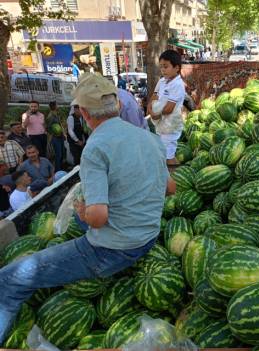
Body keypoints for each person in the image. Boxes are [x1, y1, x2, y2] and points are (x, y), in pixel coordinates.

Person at [0, 72, 175, 344]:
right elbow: (170, 188)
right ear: (117, 105)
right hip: (147, 237)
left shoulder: (96, 146)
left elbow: (98, 218)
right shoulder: (149, 139)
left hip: (112, 251)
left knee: (9, 279)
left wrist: (83, 212)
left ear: (83, 112)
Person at [149, 50, 187, 166]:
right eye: (161, 67)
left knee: (168, 156)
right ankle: (174, 174)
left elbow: (169, 108)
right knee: (165, 153)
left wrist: (156, 114)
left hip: (171, 126)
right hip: (161, 125)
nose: (163, 70)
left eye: (166, 67)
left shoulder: (178, 85)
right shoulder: (162, 81)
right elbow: (154, 95)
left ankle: (174, 178)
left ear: (177, 68)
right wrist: (150, 108)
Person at [46, 101, 65, 171]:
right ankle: (58, 170)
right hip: (55, 138)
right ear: (54, 106)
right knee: (58, 154)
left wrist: (62, 134)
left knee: (62, 153)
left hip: (60, 137)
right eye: (57, 105)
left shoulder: (56, 114)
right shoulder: (51, 116)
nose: (58, 106)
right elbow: (48, 128)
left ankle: (61, 168)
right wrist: (55, 133)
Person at [67, 100, 87, 165]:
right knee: (77, 157)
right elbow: (70, 130)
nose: (82, 112)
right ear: (75, 110)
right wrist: (77, 140)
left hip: (81, 141)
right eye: (80, 110)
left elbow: (82, 130)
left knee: (82, 157)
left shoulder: (81, 118)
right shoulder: (71, 118)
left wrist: (83, 140)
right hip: (74, 142)